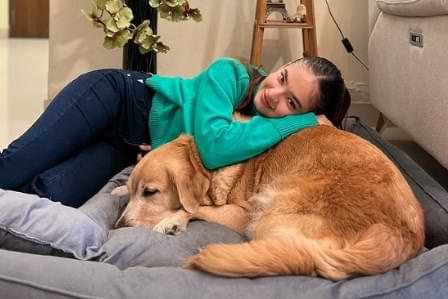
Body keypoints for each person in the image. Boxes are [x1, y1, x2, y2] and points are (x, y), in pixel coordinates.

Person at [0, 56, 351, 207]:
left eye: (292, 102)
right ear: (282, 66)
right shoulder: (230, 74)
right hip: (117, 99)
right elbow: (213, 148)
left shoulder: (267, 130)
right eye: (283, 77)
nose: (273, 94)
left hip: (127, 149)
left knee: (50, 192)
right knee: (16, 164)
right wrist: (301, 120)